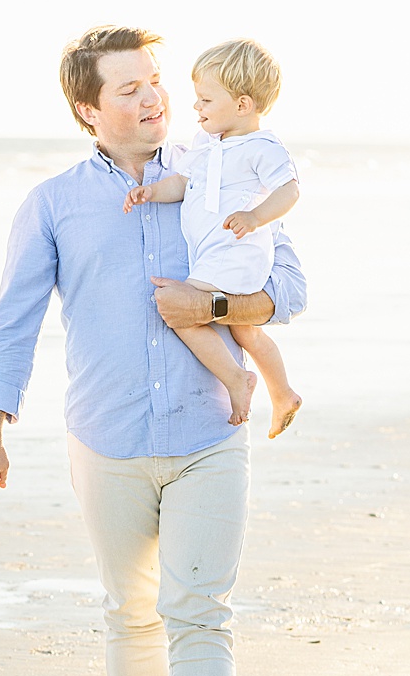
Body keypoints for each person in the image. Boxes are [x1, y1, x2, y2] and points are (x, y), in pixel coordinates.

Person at [0, 25, 309, 676]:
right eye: (129, 88)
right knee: (130, 612)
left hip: (209, 432)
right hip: (105, 437)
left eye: (156, 81)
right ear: (88, 108)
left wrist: (215, 310)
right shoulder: (53, 203)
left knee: (199, 610)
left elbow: (287, 290)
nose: (154, 97)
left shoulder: (221, 169)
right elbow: (14, 322)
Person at [124, 38, 303, 437]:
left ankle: (237, 379)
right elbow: (182, 183)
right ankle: (283, 392)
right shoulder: (206, 144)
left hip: (235, 253)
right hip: (212, 254)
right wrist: (151, 192)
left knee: (178, 309)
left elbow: (289, 190)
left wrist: (255, 216)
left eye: (205, 100)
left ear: (242, 105)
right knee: (245, 331)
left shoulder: (262, 147)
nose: (195, 108)